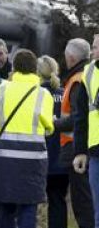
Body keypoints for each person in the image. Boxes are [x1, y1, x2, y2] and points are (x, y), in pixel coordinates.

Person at [0, 49, 54, 228]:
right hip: (33, 160)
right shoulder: (43, 94)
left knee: (5, 206)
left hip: (4, 158)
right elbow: (49, 127)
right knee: (29, 206)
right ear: (35, 69)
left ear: (14, 67)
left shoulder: (2, 90)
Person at [55, 38, 95, 228]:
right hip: (84, 146)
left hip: (77, 147)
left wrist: (55, 123)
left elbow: (78, 117)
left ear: (70, 57)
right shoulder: (86, 76)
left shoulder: (78, 80)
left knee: (83, 202)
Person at [37, 55, 68, 228]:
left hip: (39, 158)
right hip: (62, 158)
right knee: (58, 201)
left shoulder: (35, 95)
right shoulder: (65, 94)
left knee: (30, 205)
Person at [72, 43, 99, 228]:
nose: (92, 51)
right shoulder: (88, 72)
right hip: (96, 149)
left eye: (96, 47)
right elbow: (80, 115)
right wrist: (80, 151)